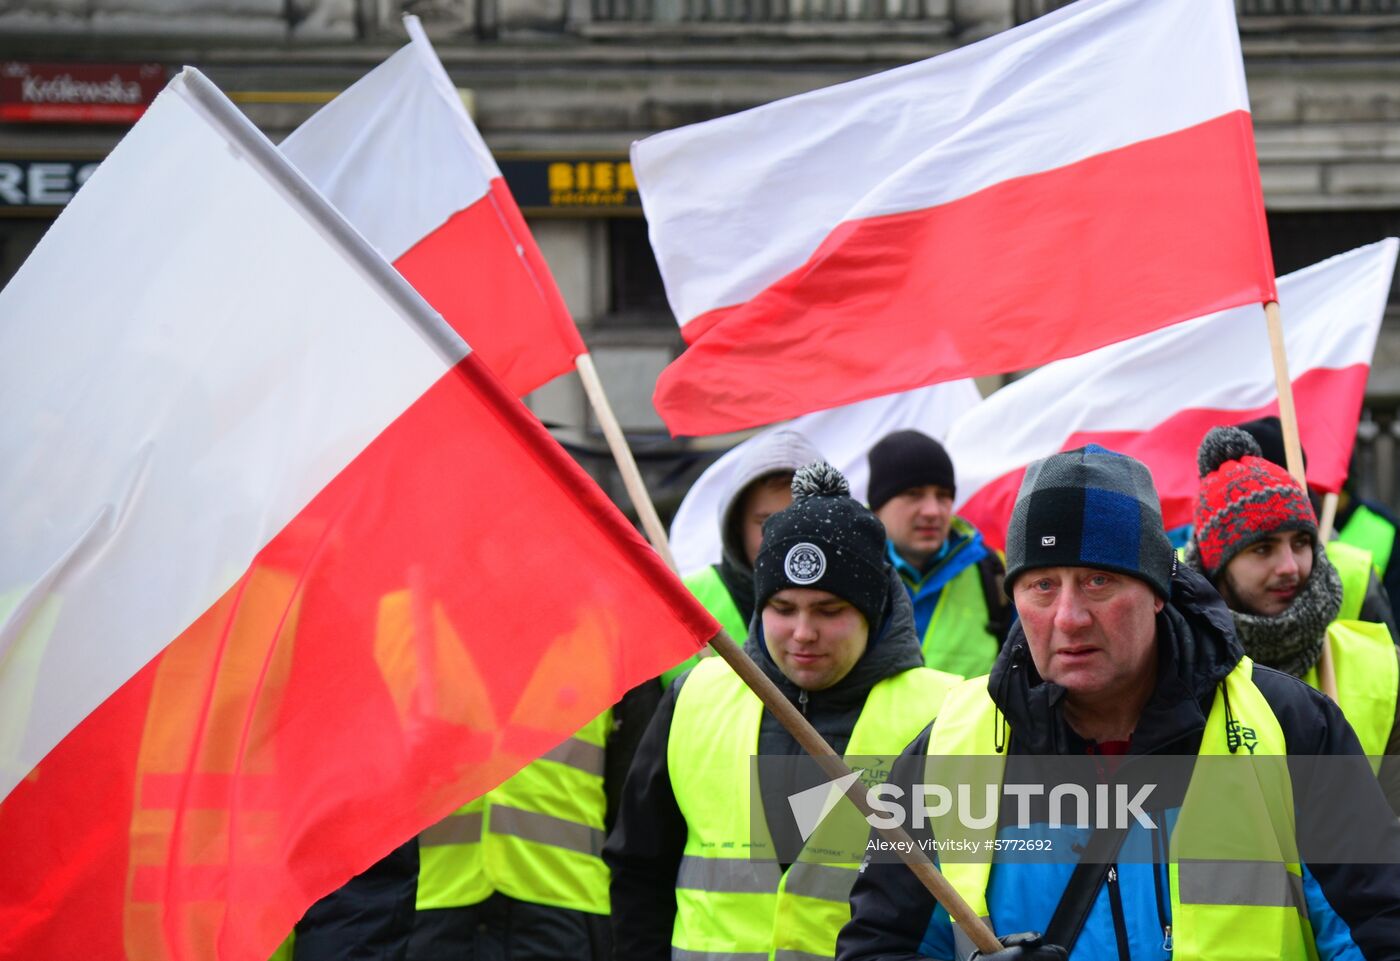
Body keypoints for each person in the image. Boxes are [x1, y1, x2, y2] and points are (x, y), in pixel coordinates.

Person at [838, 445, 1400, 961]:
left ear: (1157, 591)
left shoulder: (1290, 726)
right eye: (1041, 586)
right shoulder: (949, 748)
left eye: (1099, 580)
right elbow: (876, 947)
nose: (1068, 617)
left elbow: (1378, 931)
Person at [606, 463, 956, 961]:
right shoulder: (695, 696)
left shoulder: (943, 714)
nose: (802, 633)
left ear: (874, 611)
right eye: (783, 608)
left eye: (829, 611)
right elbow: (639, 867)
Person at [1185, 425, 1400, 765]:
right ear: (1217, 568)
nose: (1289, 566)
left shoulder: (1384, 671)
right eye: (1262, 548)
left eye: (1301, 543)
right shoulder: (1172, 675)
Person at [668, 429, 823, 686]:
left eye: (799, 520)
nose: (781, 538)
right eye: (766, 522)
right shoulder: (683, 601)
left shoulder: (865, 604)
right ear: (737, 525)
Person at [867, 430, 1011, 677]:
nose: (933, 510)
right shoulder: (848, 570)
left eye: (943, 495)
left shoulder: (995, 571)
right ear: (879, 504)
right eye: (914, 494)